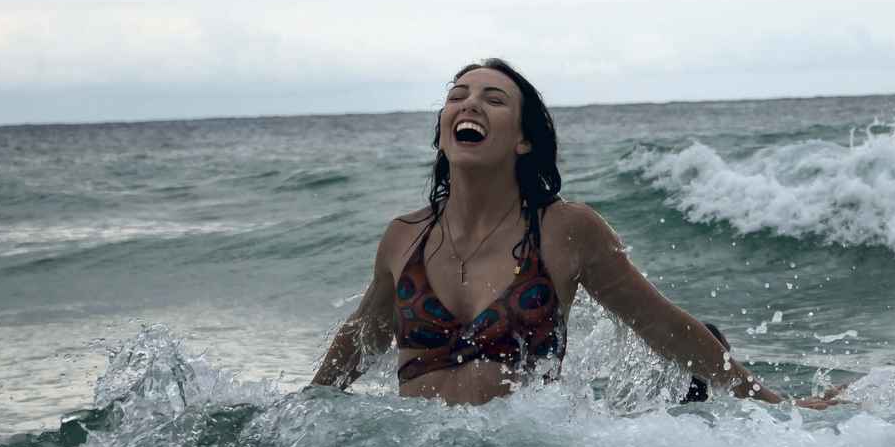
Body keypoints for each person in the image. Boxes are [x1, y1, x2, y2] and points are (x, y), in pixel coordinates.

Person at [308, 58, 841, 408]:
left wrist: (774, 402)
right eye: (458, 95)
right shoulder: (404, 237)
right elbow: (363, 336)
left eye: (493, 100)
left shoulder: (565, 229)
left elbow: (664, 325)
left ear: (522, 141)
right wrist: (303, 409)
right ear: (444, 130)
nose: (468, 104)